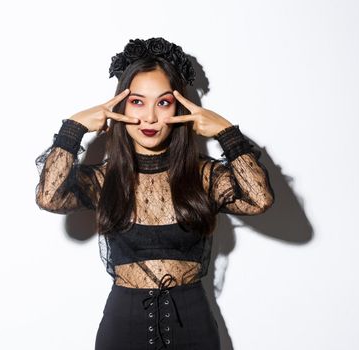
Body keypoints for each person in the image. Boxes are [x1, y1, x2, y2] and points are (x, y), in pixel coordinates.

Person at [35, 37, 274, 350]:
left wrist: (226, 132)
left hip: (194, 328)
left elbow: (260, 198)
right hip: (123, 328)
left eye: (163, 102)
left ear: (179, 106)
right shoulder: (107, 178)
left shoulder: (203, 176)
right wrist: (74, 128)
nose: (149, 117)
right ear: (120, 106)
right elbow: (48, 197)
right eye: (137, 101)